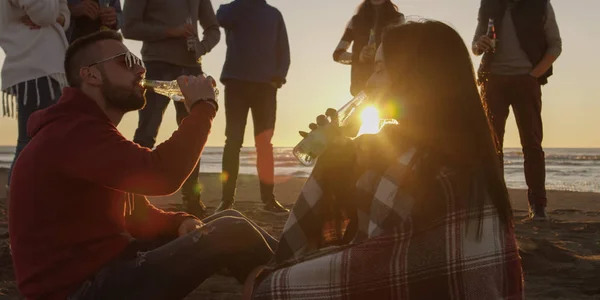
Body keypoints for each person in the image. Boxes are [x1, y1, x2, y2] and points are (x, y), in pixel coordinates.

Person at [243, 21, 524, 299]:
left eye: (378, 68)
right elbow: (368, 232)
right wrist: (338, 154)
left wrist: (272, 282)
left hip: (404, 282)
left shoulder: (444, 176)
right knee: (233, 228)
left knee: (263, 285)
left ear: (414, 77)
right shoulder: (415, 149)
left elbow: (383, 263)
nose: (368, 82)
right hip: (388, 273)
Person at [8, 30, 276, 300]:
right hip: (78, 290)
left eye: (138, 60)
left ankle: (299, 272)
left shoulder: (89, 130)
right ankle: (299, 280)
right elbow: (162, 175)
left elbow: (134, 215)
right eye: (126, 61)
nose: (140, 68)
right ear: (91, 75)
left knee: (231, 220)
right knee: (231, 233)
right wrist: (203, 108)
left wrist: (178, 223)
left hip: (106, 270)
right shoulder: (72, 132)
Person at [122, 0, 221, 218]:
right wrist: (170, 31)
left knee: (196, 133)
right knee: (147, 133)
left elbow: (213, 29)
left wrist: (202, 47)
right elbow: (128, 26)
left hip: (192, 66)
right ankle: (135, 201)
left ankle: (192, 199)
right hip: (157, 64)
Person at [473, 0, 562, 220]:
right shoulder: (488, 5)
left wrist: (534, 75)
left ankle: (537, 206)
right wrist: (480, 44)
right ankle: (496, 205)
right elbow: (475, 47)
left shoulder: (540, 5)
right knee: (492, 146)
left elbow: (555, 46)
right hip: (492, 81)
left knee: (531, 144)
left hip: (526, 81)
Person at [215, 0, 291, 214]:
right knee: (233, 141)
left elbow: (283, 49)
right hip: (236, 83)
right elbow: (220, 17)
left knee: (264, 143)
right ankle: (227, 200)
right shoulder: (234, 9)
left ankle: (269, 200)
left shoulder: (273, 15)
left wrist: (279, 77)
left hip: (266, 87)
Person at [0, 0, 70, 194]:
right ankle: (16, 201)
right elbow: (44, 14)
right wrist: (53, 17)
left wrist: (55, 17)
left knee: (38, 140)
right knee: (33, 140)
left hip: (45, 69)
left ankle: (23, 200)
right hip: (34, 68)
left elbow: (65, 17)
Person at [333, 0, 404, 96]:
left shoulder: (397, 19)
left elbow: (401, 51)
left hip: (386, 86)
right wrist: (359, 56)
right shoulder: (356, 21)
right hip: (360, 87)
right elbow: (337, 55)